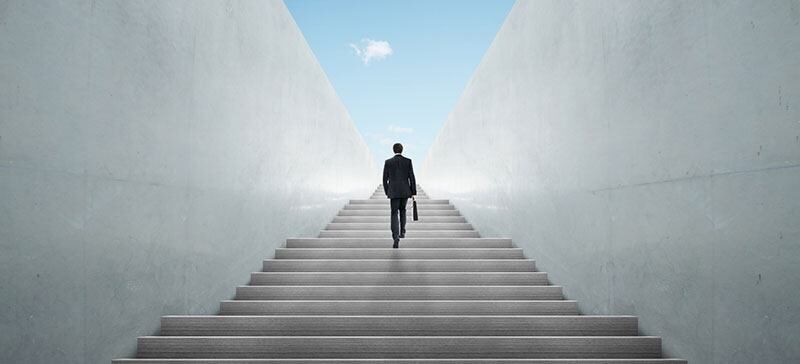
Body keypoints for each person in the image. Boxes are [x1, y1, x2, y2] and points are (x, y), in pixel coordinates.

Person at [382, 143, 416, 248]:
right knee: (403, 210)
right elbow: (412, 177)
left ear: (393, 150)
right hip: (405, 191)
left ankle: (395, 237)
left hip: (393, 191)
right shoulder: (408, 161)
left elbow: (384, 179)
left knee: (394, 213)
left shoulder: (388, 162)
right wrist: (413, 192)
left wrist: (388, 191)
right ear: (402, 150)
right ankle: (402, 232)